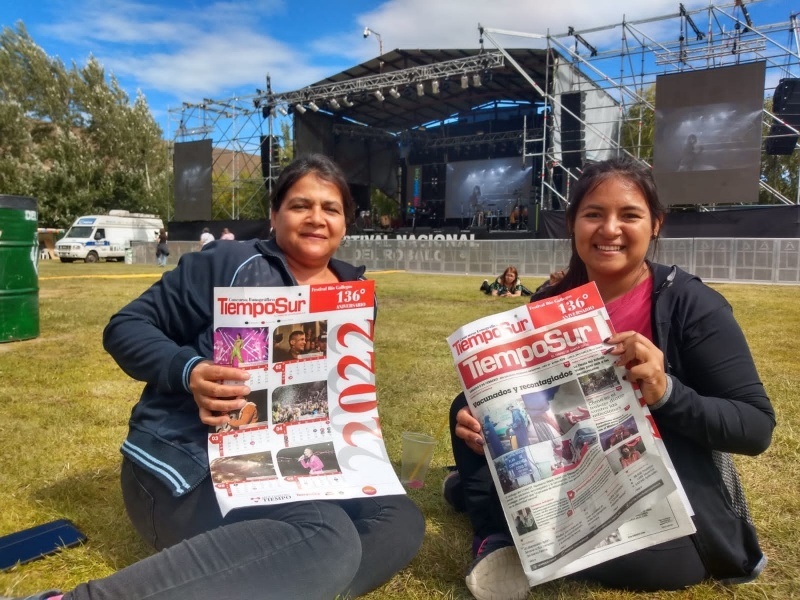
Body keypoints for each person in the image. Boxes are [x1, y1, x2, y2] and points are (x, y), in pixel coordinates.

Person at [11, 155, 424, 600]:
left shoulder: (355, 298)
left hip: (295, 469)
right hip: (188, 471)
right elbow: (126, 327)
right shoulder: (227, 262)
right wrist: (190, 371)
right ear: (274, 215)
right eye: (300, 205)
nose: (316, 219)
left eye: (331, 208)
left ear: (346, 223)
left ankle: (288, 579)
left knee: (400, 518)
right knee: (326, 535)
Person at [447, 157, 774, 599]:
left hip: (653, 486)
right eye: (594, 214)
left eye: (630, 215)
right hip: (568, 468)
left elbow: (755, 427)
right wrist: (482, 414)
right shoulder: (549, 301)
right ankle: (497, 537)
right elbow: (530, 398)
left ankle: (484, 504)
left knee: (659, 566)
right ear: (573, 223)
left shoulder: (693, 305)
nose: (610, 229)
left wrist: (667, 394)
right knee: (464, 408)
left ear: (655, 224)